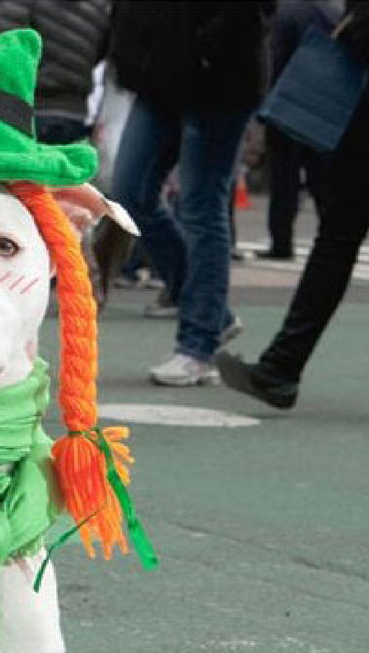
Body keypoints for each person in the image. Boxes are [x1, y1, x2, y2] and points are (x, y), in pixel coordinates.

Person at [218, 1, 369, 409]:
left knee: (339, 231)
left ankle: (282, 365)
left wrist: (358, 24)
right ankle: (281, 365)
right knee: (339, 232)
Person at [109, 1, 271, 386]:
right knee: (130, 193)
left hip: (216, 73)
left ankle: (198, 345)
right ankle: (212, 314)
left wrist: (206, 45)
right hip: (158, 71)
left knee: (200, 204)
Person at [256, 0, 338, 261]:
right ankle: (333, 239)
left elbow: (276, 59)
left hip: (287, 104)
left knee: (283, 182)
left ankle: (281, 242)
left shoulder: (284, 14)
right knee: (322, 181)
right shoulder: (329, 12)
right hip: (322, 103)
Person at [0, 0, 110, 145]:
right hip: (74, 116)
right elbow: (101, 51)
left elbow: (5, 43)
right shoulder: (99, 7)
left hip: (30, 109)